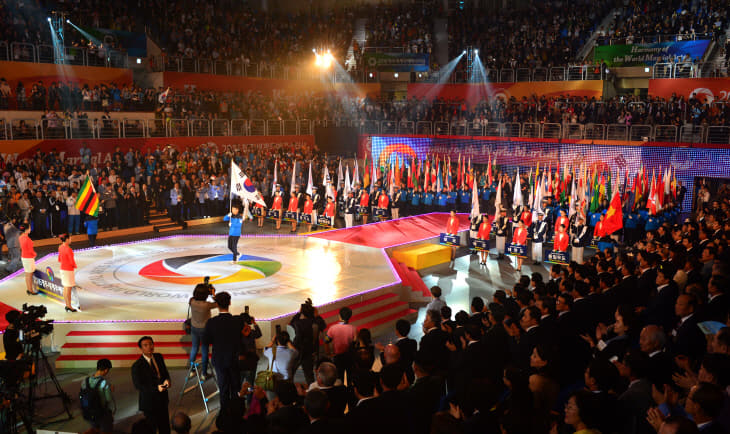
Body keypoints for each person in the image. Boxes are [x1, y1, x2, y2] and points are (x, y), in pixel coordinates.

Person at [204, 292, 244, 412]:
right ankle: (238, 411)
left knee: (223, 388)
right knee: (236, 386)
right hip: (234, 358)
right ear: (230, 302)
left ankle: (225, 413)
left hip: (219, 359)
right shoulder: (238, 321)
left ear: (217, 305)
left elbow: (207, 340)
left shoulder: (211, 322)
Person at [131, 336, 171, 434]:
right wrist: (156, 388)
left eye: (151, 344)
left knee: (165, 426)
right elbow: (138, 385)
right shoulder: (137, 366)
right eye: (145, 345)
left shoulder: (158, 357)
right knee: (151, 428)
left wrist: (167, 380)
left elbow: (165, 373)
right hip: (149, 402)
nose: (149, 347)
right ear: (141, 349)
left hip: (163, 399)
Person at [187, 283, 217, 380]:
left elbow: (193, 297)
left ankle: (192, 371)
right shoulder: (207, 305)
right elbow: (219, 303)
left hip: (194, 328)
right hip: (205, 330)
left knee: (194, 348)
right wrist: (213, 293)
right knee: (204, 351)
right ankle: (204, 374)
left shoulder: (192, 301)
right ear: (206, 294)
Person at [80, 358, 115, 434]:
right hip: (102, 413)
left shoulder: (84, 381)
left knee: (95, 429)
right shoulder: (104, 383)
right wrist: (110, 390)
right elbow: (108, 399)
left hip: (88, 412)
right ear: (106, 370)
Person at [325, 307, 357, 382]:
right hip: (350, 357)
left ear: (339, 316)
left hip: (338, 357)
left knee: (339, 379)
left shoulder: (332, 328)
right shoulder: (353, 329)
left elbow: (326, 341)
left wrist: (328, 353)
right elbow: (355, 343)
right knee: (350, 378)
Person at [58, 233, 77, 312]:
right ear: (67, 239)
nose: (71, 240)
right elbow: (71, 261)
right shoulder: (68, 249)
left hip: (62, 269)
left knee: (65, 287)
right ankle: (69, 306)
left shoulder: (60, 247)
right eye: (70, 238)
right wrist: (74, 266)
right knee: (68, 288)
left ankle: (67, 304)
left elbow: (59, 259)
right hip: (68, 270)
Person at [19, 224, 38, 295]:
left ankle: (29, 289)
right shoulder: (27, 239)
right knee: (29, 275)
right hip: (29, 258)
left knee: (27, 274)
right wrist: (34, 254)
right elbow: (30, 251)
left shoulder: (21, 237)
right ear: (26, 230)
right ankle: (30, 290)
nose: (30, 229)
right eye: (30, 228)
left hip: (23, 257)